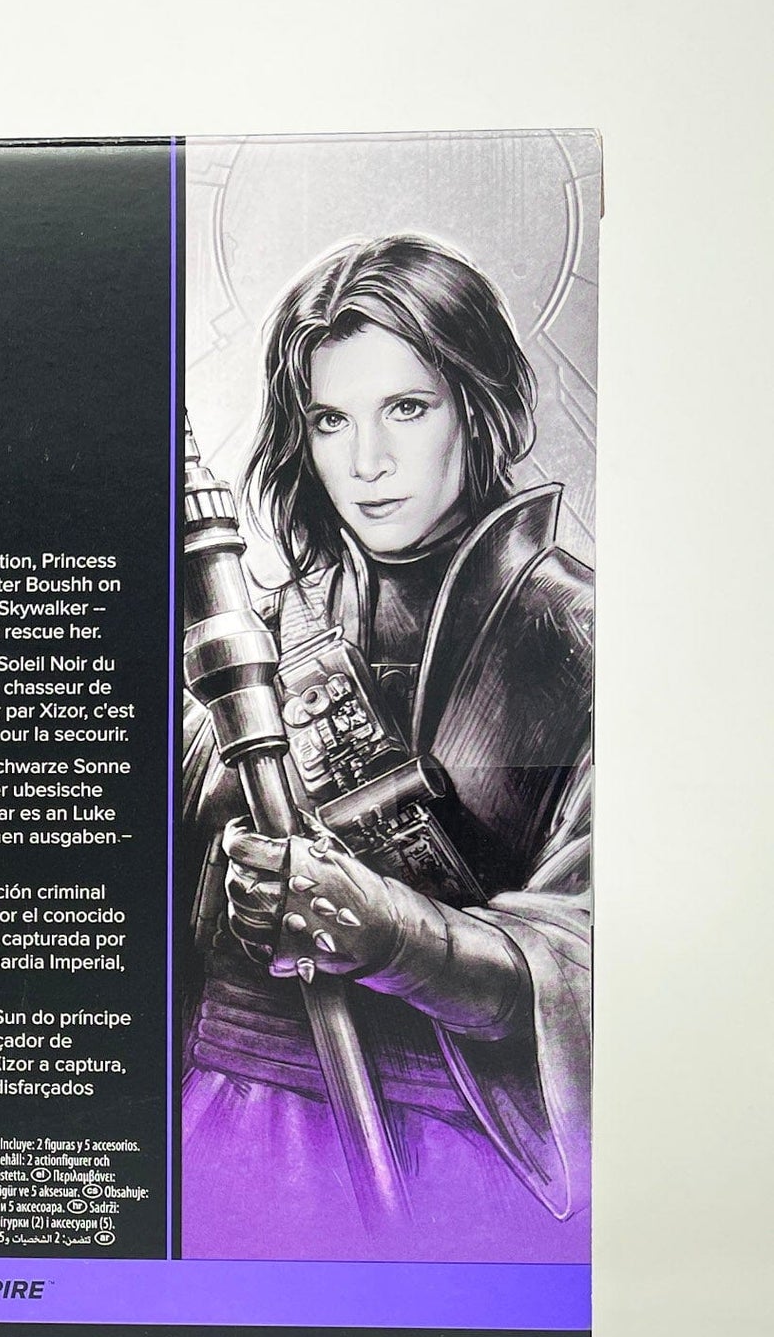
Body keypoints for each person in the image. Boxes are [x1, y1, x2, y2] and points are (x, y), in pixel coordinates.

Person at [180, 235, 592, 1261]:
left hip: (447, 1160)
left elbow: (594, 961)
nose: (365, 463)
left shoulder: (581, 638)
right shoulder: (256, 632)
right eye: (330, 420)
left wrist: (385, 931)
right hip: (221, 1134)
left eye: (405, 408)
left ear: (477, 408)